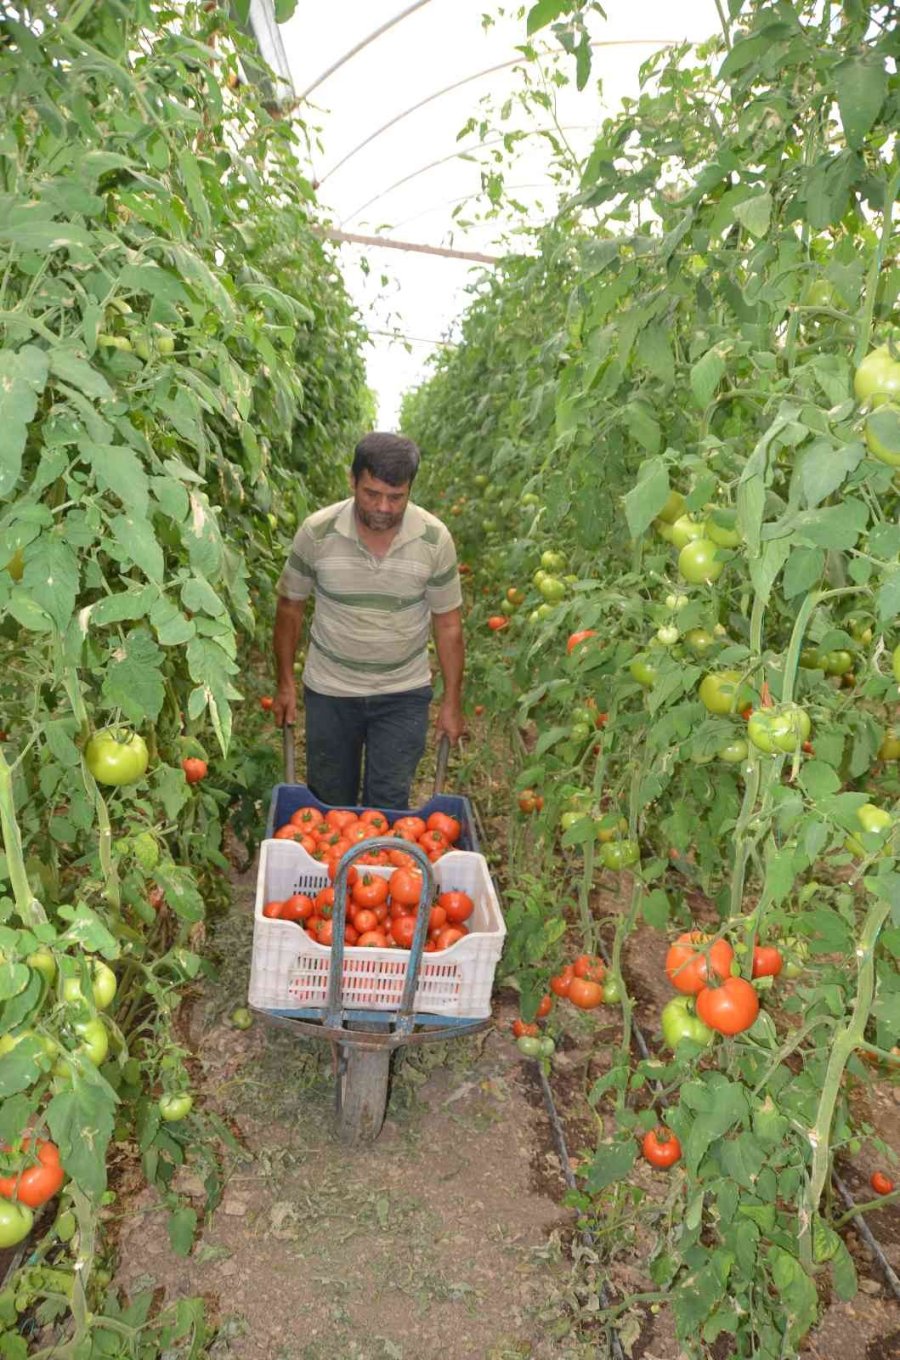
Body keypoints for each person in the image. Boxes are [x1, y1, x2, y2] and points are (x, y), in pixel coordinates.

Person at [272, 432, 465, 810]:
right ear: (352, 481)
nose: (384, 507)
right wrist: (285, 684)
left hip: (402, 692)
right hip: (330, 690)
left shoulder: (434, 539)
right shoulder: (317, 532)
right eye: (371, 493)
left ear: (410, 489)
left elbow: (448, 624)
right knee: (329, 804)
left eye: (397, 498)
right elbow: (289, 608)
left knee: (389, 805)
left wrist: (452, 703)